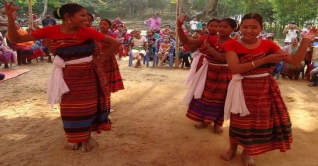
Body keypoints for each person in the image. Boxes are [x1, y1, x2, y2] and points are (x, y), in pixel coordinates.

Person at [4, 1, 121, 152]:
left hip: (88, 75)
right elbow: (16, 39)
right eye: (82, 15)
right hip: (66, 75)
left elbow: (115, 43)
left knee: (88, 107)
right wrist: (10, 19)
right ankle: (74, 137)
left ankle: (86, 137)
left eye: (86, 15)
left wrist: (100, 60)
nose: (87, 19)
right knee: (69, 108)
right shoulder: (51, 30)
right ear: (68, 17)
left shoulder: (86, 31)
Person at [221, 13, 317, 166]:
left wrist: (306, 39)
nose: (249, 31)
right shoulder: (231, 44)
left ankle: (247, 152)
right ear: (240, 27)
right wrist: (265, 59)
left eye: (254, 27)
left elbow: (295, 60)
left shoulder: (269, 45)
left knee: (258, 122)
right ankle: (232, 148)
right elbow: (235, 68)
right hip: (241, 88)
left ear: (261, 28)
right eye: (245, 27)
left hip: (264, 89)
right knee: (239, 120)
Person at [179, 16, 237, 134]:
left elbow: (222, 58)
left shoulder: (233, 43)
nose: (221, 29)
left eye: (225, 27)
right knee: (204, 95)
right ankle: (204, 120)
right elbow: (187, 41)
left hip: (224, 74)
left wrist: (209, 48)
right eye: (220, 26)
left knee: (221, 99)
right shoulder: (210, 38)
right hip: (209, 71)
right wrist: (179, 27)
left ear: (234, 29)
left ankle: (218, 123)